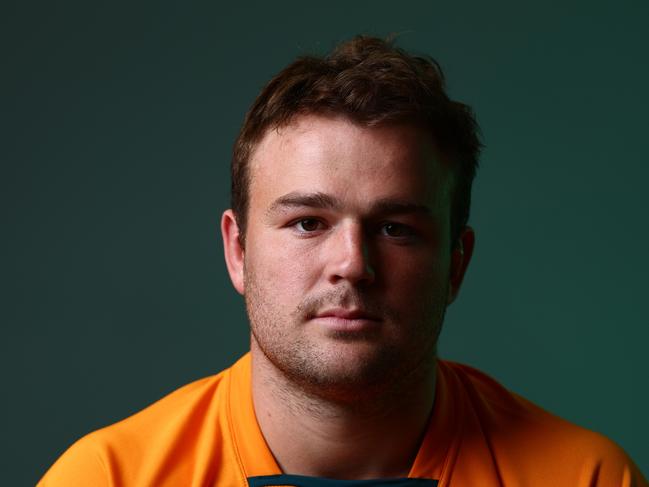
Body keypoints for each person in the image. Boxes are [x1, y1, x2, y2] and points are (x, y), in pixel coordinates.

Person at [38, 36, 647, 487]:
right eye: (308, 223)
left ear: (456, 265)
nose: (353, 265)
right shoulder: (106, 476)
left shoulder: (587, 476)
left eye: (395, 228)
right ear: (238, 251)